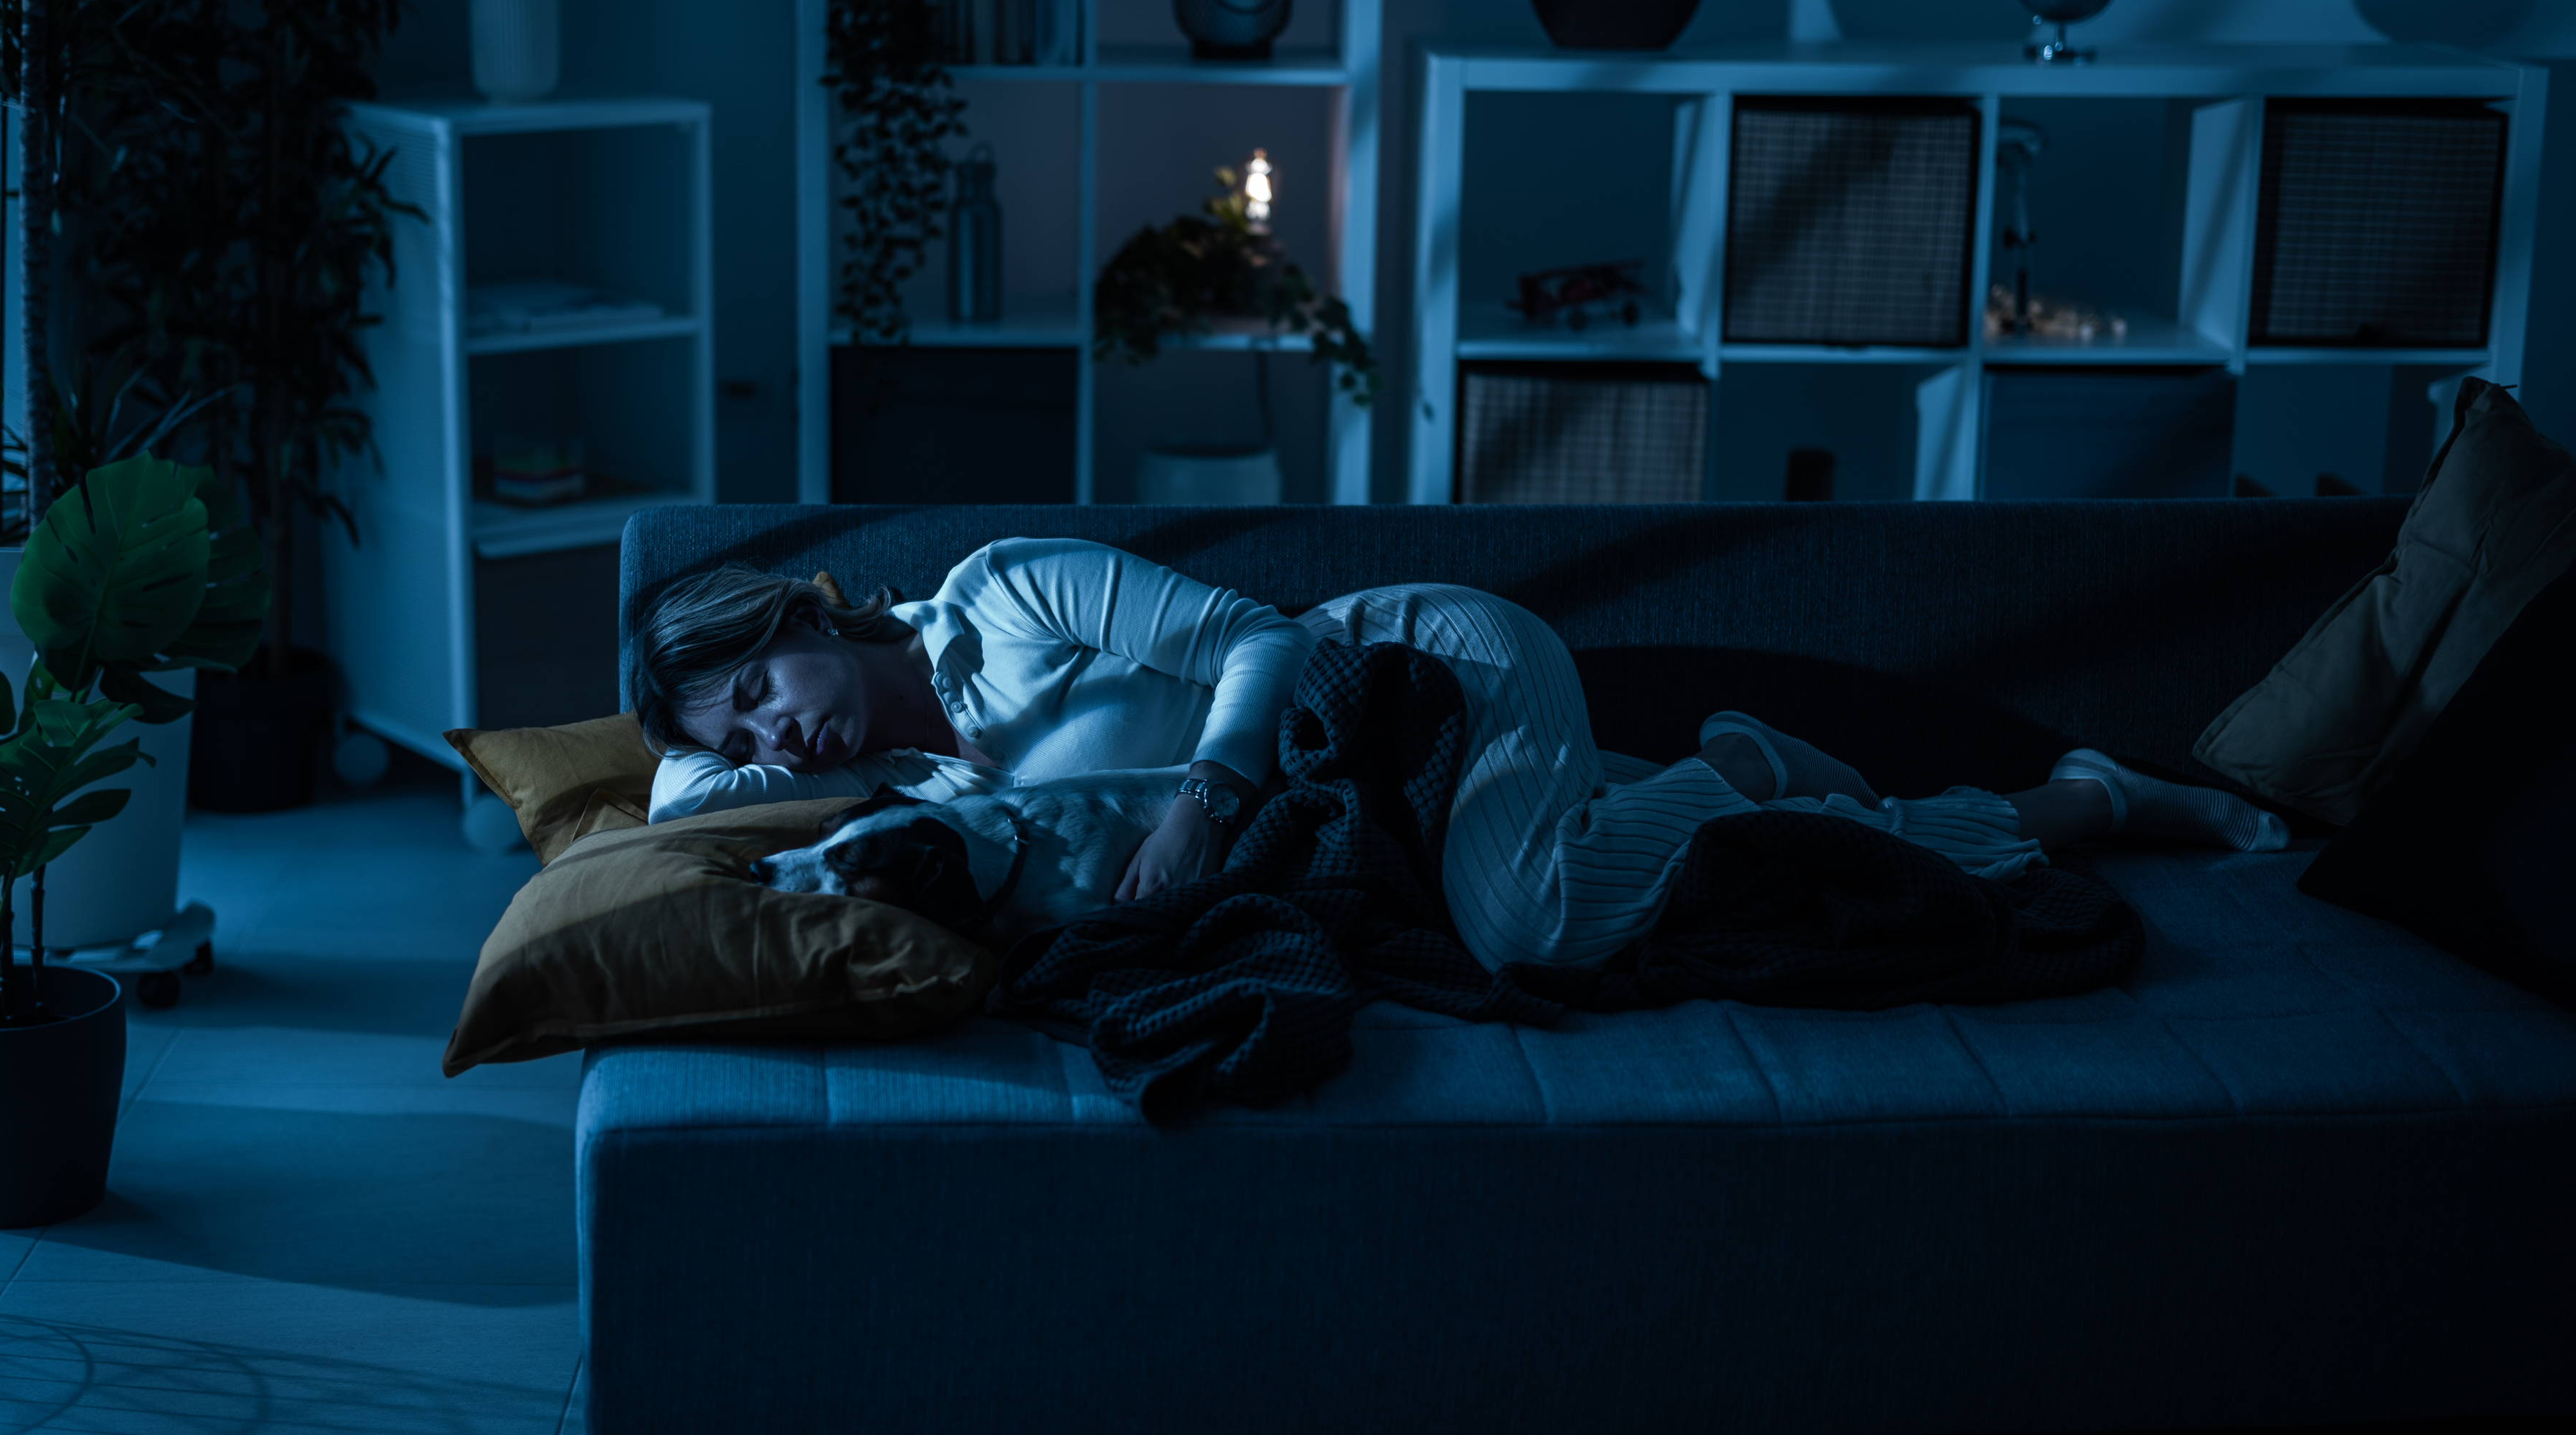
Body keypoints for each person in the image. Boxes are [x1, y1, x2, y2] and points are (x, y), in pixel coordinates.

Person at [634, 539, 2287, 972]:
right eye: (747, 739)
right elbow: (664, 807)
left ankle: (1741, 769)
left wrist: (1206, 800)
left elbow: (1264, 638)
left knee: (1530, 930)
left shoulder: (1000, 594)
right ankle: (2092, 796)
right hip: (1377, 797)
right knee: (1702, 883)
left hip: (1421, 674)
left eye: (762, 683)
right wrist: (734, 767)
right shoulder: (918, 799)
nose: (779, 731)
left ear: (797, 609)